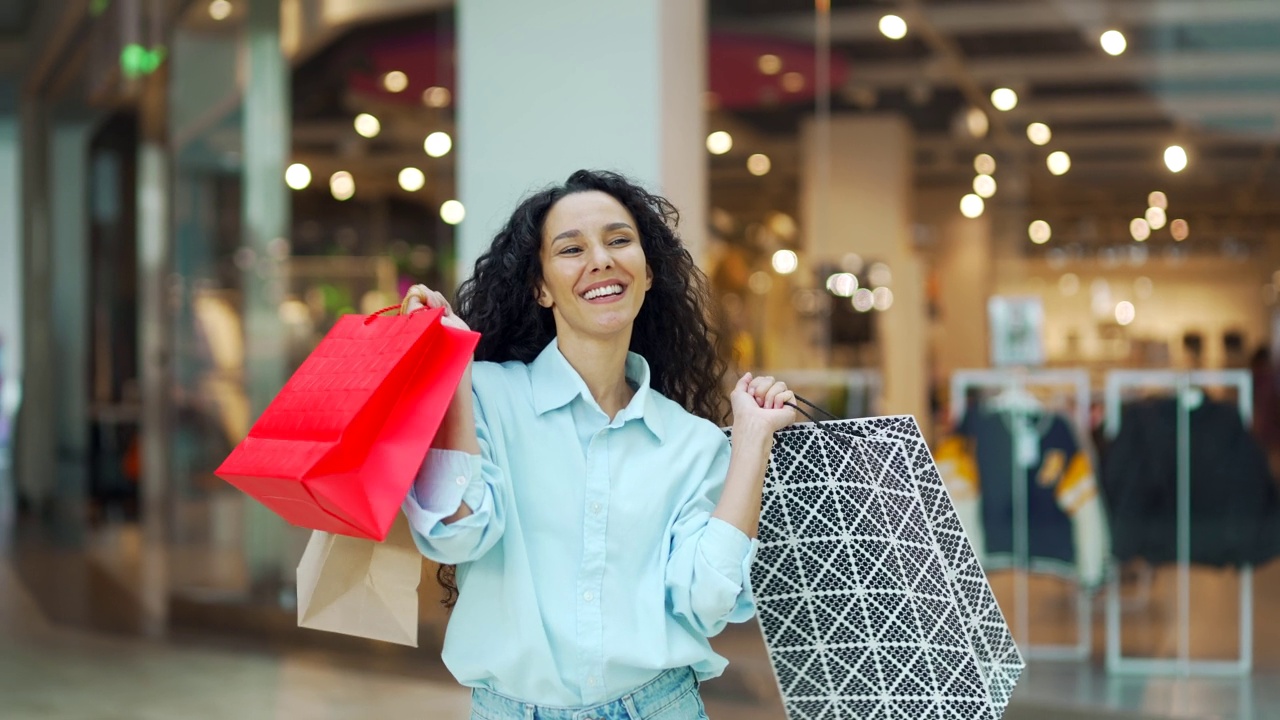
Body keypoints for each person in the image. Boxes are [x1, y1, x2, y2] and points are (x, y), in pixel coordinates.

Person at [399, 169, 795, 719]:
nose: (601, 260)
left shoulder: (693, 443)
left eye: (618, 240)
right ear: (540, 287)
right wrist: (453, 370)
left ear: (649, 272)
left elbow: (706, 603)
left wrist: (750, 442)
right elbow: (456, 537)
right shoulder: (486, 397)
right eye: (571, 248)